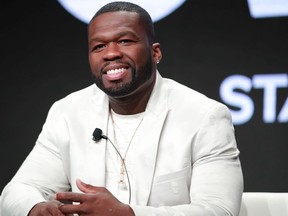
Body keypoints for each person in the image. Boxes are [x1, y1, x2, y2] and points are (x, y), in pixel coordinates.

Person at [0, 1, 243, 216]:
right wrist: (36, 208)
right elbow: (18, 191)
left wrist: (128, 214)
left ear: (155, 52)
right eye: (98, 47)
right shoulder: (67, 112)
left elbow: (219, 210)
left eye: (125, 41)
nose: (111, 54)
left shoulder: (204, 116)